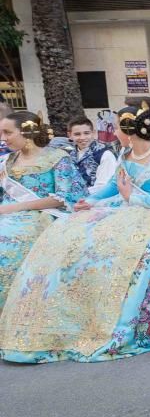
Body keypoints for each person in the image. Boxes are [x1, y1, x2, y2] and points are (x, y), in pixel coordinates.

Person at [0, 104, 150, 363]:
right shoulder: (126, 154)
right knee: (75, 234)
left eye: (117, 127)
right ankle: (76, 316)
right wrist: (91, 201)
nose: (113, 131)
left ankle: (129, 317)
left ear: (130, 131)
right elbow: (110, 187)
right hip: (127, 207)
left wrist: (134, 198)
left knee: (148, 247)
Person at [0, 112, 86, 310]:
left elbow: (68, 197)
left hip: (40, 217)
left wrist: (13, 208)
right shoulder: (6, 161)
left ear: (27, 132)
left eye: (7, 132)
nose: (3, 138)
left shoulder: (57, 159)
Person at [67, 116, 117, 193]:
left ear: (93, 133)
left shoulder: (105, 154)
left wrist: (75, 194)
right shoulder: (68, 156)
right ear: (70, 135)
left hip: (98, 200)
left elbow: (103, 186)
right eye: (77, 134)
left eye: (86, 133)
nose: (82, 137)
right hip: (71, 199)